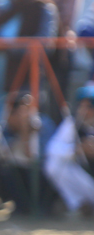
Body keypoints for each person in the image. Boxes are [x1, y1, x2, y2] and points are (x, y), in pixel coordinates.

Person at [43, 84, 94, 215]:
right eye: (81, 105)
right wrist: (77, 149)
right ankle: (79, 205)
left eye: (89, 106)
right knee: (53, 165)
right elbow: (52, 149)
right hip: (85, 179)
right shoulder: (73, 124)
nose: (84, 110)